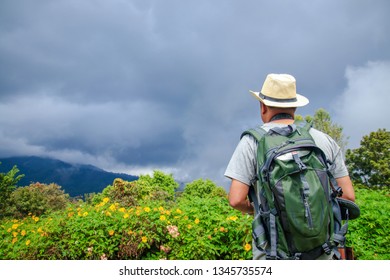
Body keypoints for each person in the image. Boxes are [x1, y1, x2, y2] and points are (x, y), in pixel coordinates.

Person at [224, 73, 355, 260]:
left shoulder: (252, 142)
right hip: (322, 254)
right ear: (294, 106)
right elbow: (349, 196)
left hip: (273, 256)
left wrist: (264, 209)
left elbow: (236, 200)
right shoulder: (322, 140)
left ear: (263, 107)